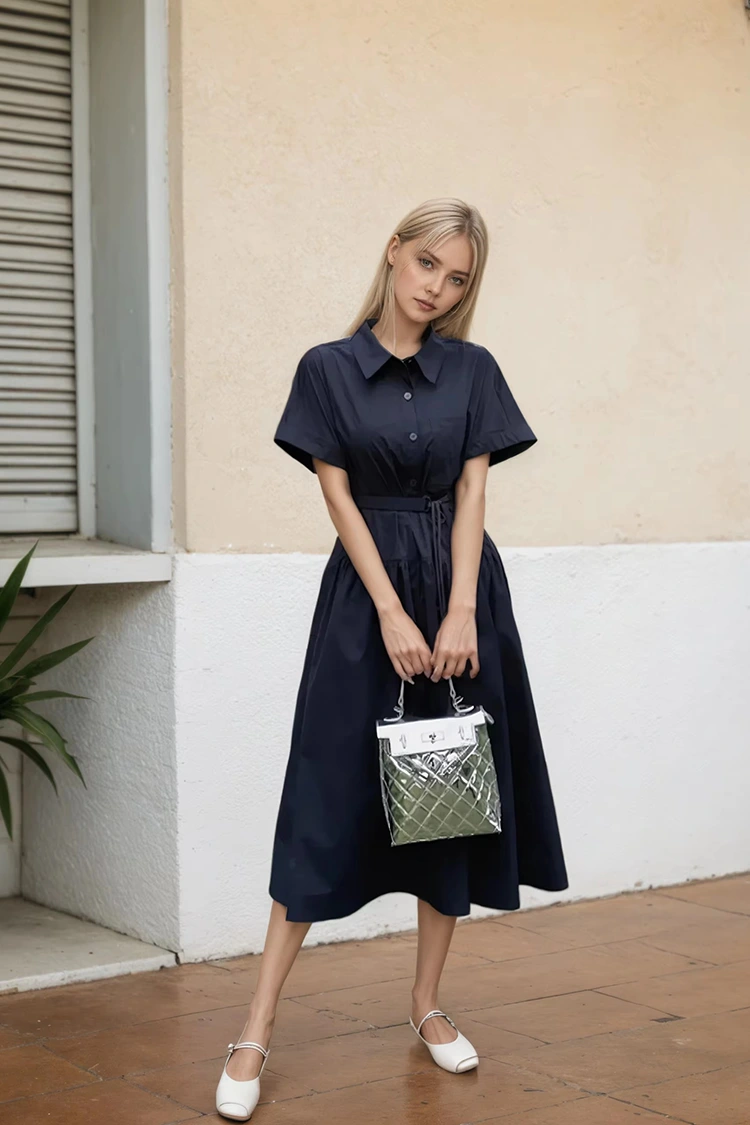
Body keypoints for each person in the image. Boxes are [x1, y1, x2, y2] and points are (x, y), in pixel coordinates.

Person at [215, 197, 568, 1120]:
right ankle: (254, 1026)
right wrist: (390, 611)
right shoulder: (327, 369)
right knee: (324, 799)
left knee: (450, 795)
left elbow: (473, 490)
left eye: (457, 278)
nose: (437, 288)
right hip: (364, 602)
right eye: (427, 265)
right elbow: (337, 497)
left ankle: (426, 1001)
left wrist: (460, 613)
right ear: (394, 253)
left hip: (461, 597)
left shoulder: (473, 370)